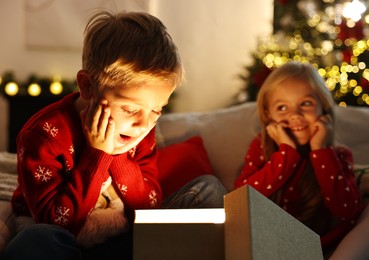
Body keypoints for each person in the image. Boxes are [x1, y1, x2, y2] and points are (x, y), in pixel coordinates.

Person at [2, 10, 226, 260]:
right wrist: (98, 154)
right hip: (71, 246)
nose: (143, 123)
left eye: (157, 109)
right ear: (87, 87)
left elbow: (147, 208)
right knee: (35, 241)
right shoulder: (43, 135)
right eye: (130, 109)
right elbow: (59, 222)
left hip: (130, 241)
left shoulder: (141, 128)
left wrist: (117, 155)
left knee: (209, 189)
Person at [235, 61, 369, 259]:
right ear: (268, 115)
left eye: (305, 104)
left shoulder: (338, 155)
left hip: (331, 245)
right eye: (282, 107)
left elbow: (346, 210)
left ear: (323, 109)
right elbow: (241, 197)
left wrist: (321, 150)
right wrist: (286, 153)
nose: (295, 115)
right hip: (277, 244)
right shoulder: (261, 150)